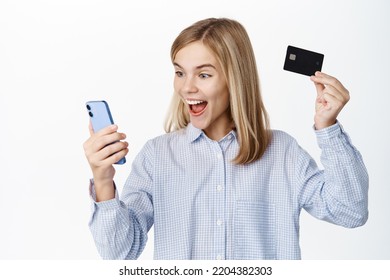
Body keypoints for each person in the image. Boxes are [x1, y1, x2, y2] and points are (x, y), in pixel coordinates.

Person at [83, 18, 368, 260]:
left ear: (236, 78)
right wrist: (104, 181)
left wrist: (327, 128)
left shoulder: (283, 152)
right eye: (180, 72)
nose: (186, 87)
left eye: (203, 74)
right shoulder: (158, 155)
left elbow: (349, 212)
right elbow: (121, 252)